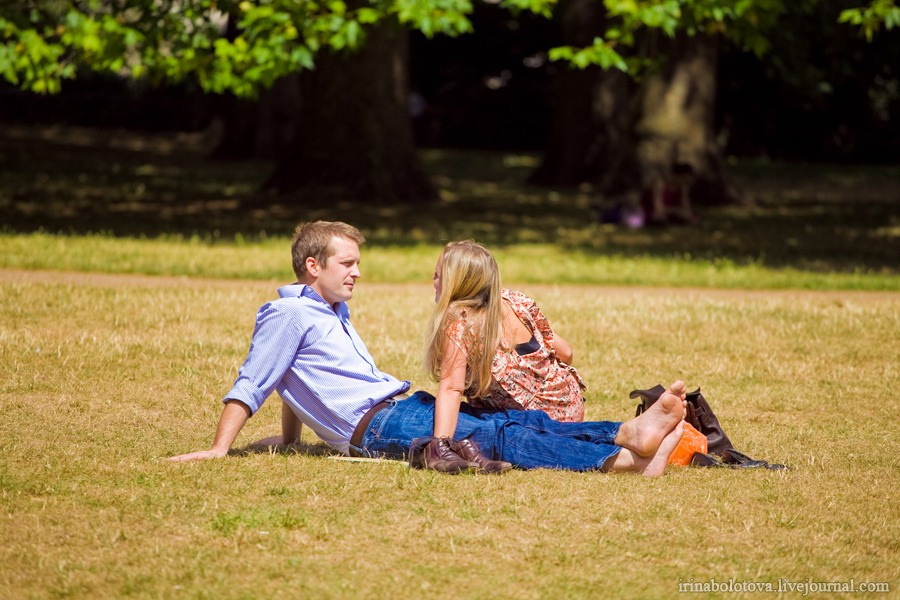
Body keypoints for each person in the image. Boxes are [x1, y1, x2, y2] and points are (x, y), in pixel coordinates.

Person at [169, 220, 686, 476]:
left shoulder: (327, 312)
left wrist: (290, 439)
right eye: (346, 263)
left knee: (519, 423)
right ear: (313, 267)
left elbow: (292, 381)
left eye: (355, 262)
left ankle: (627, 436)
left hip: (399, 407)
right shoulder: (287, 314)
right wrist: (220, 448)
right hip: (380, 425)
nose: (357, 271)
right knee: (500, 437)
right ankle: (621, 459)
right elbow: (257, 379)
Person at [427, 241, 586, 429]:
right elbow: (565, 353)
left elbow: (452, 389)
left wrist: (440, 445)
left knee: (427, 413)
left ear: (454, 283)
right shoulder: (515, 301)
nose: (432, 279)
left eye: (437, 275)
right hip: (570, 405)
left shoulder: (460, 323)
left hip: (537, 424)